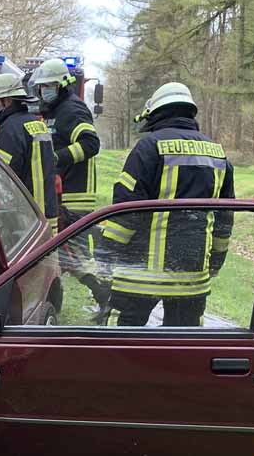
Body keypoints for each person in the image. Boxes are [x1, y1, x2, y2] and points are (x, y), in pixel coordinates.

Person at [95, 81, 234, 327]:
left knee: (124, 350)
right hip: (191, 279)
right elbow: (225, 218)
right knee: (182, 352)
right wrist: (216, 261)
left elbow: (126, 211)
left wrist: (106, 252)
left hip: (140, 278)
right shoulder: (217, 154)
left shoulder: (149, 147)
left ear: (157, 112)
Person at [30, 57, 106, 313]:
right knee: (68, 250)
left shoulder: (72, 110)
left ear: (62, 85)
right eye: (41, 87)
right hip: (60, 193)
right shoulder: (51, 112)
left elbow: (91, 144)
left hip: (75, 193)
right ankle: (101, 291)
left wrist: (57, 158)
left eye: (48, 86)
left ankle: (104, 290)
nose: (44, 91)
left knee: (75, 251)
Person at [0, 72, 58, 232]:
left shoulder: (10, 130)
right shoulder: (36, 123)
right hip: (48, 213)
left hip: (26, 218)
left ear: (7, 100)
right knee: (49, 255)